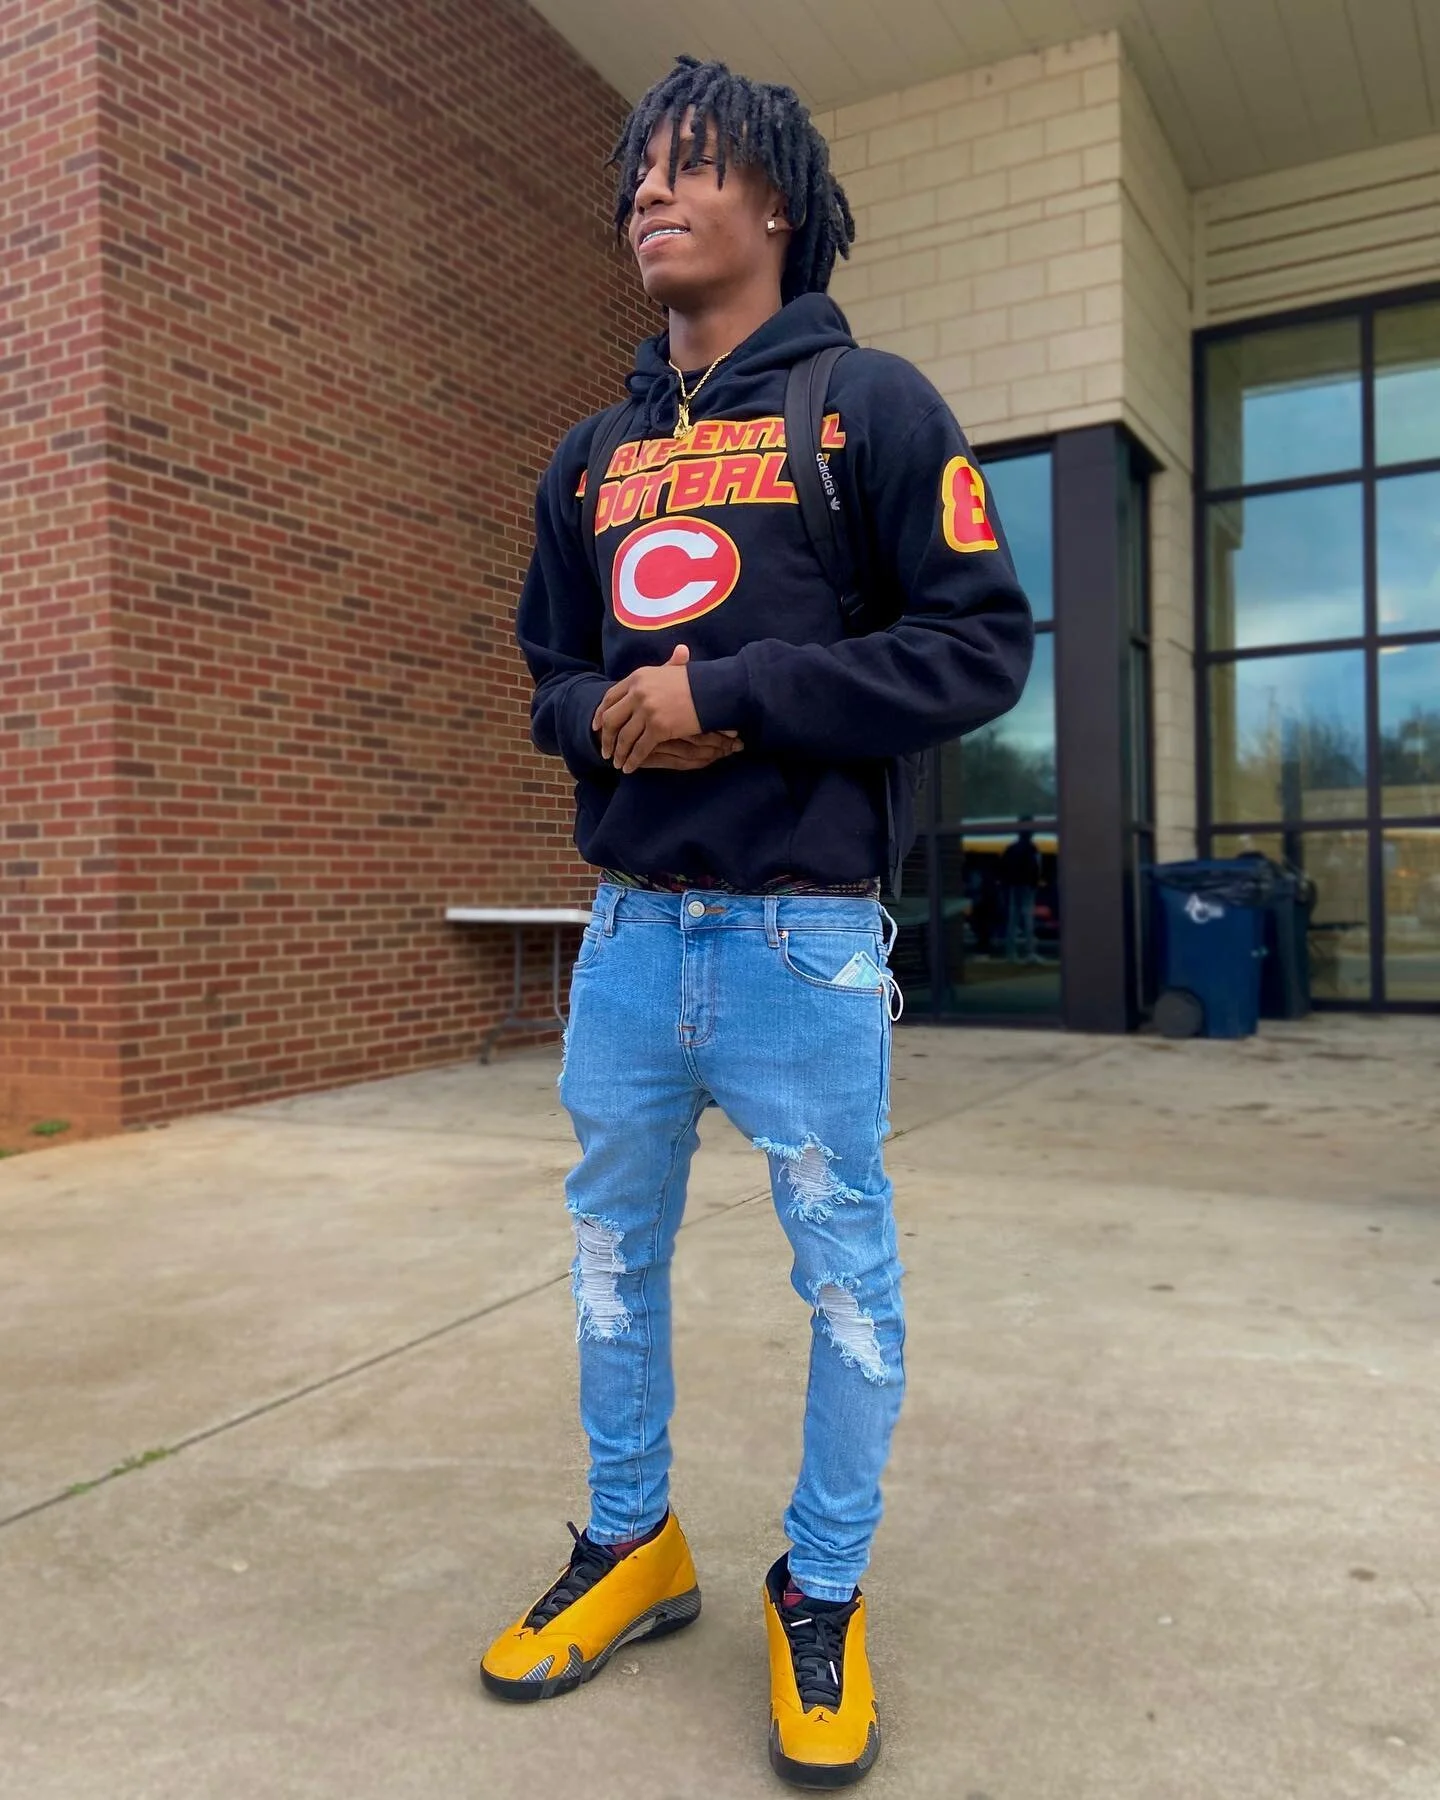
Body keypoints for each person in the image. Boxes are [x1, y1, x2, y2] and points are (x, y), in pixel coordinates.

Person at [481, 55, 1033, 1789]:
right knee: (607, 1263)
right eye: (640, 170)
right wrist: (613, 720)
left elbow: (975, 644)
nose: (650, 192)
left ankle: (827, 1583)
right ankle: (633, 1544)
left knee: (845, 1286)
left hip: (805, 946)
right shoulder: (594, 455)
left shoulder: (869, 408)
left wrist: (737, 691)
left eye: (693, 166)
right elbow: (549, 674)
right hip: (633, 939)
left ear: (776, 201)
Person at [1000, 823, 1044, 964]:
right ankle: (1030, 952)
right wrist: (1034, 883)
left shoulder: (1011, 848)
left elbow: (1003, 867)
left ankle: (1011, 953)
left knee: (1013, 919)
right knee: (1027, 917)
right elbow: (1036, 868)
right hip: (1027, 886)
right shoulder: (1032, 848)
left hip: (1014, 886)